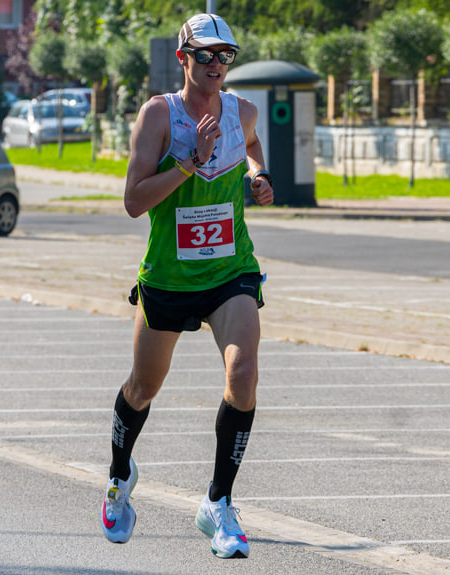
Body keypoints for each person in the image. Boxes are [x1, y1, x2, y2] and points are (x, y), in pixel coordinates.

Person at [101, 13, 274, 560]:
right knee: (142, 388)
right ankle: (118, 477)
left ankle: (218, 504)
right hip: (170, 278)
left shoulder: (241, 110)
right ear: (184, 59)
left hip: (230, 271)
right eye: (206, 56)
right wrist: (189, 161)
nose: (217, 65)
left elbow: (251, 143)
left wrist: (256, 175)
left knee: (243, 372)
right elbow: (133, 202)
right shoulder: (159, 115)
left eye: (226, 56)